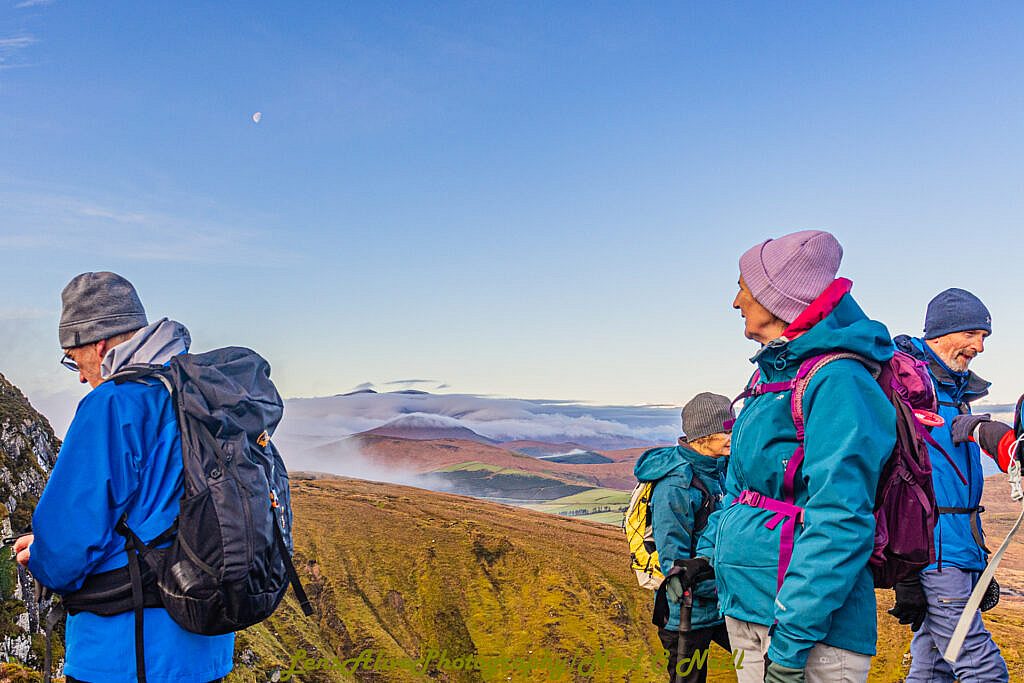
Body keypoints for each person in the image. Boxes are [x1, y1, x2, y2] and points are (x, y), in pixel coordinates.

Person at [690, 230, 896, 683]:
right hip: (750, 609)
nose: (735, 301)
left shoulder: (839, 381)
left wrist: (790, 648)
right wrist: (705, 561)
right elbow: (739, 493)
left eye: (744, 286)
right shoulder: (772, 381)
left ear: (776, 297)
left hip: (811, 638)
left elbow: (840, 519)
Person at [14, 272, 234, 683]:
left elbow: (66, 550)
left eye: (73, 359)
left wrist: (40, 555)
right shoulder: (201, 395)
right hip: (207, 647)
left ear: (98, 343)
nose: (80, 375)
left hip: (126, 655)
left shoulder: (113, 405)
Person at [889, 288, 1010, 682]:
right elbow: (891, 474)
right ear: (942, 331)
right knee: (982, 667)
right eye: (972, 334)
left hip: (957, 545)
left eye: (984, 337)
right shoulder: (907, 386)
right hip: (935, 550)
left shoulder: (954, 394)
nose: (979, 346)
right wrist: (906, 571)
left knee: (933, 665)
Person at [634, 392, 732, 683]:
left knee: (769, 663)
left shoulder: (719, 469)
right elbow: (673, 564)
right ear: (702, 437)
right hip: (686, 616)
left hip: (720, 605)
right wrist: (728, 585)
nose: (732, 435)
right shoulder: (676, 486)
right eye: (725, 430)